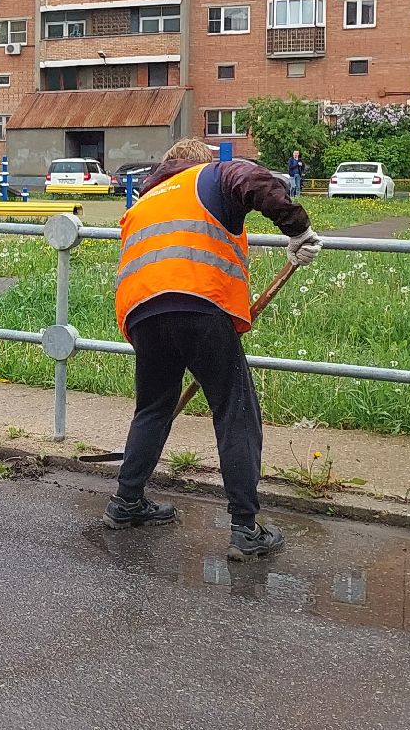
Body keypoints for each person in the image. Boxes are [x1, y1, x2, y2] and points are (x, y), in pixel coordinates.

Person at [105, 139, 321, 560]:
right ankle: (245, 527)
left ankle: (126, 502)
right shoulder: (212, 174)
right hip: (200, 306)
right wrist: (299, 230)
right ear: (197, 163)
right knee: (235, 410)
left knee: (153, 407)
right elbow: (255, 179)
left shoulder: (144, 201)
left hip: (143, 311)